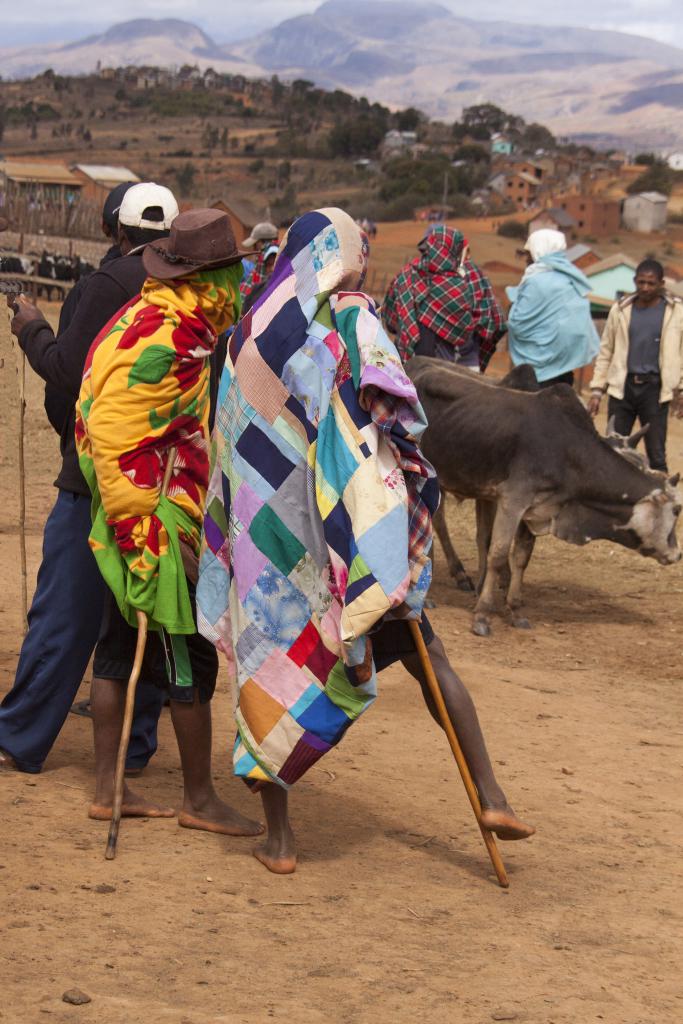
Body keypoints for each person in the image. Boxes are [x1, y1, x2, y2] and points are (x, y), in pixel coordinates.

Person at [197, 208, 534, 874]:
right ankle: (490, 795)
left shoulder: (245, 338)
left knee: (269, 672)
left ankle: (281, 841)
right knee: (428, 656)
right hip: (355, 539)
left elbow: (229, 446)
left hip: (275, 551)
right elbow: (396, 416)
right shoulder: (353, 319)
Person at [75, 208, 262, 834]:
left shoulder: (144, 315)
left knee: (118, 642)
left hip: (124, 516)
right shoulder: (175, 335)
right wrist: (142, 536)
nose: (235, 290)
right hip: (152, 520)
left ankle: (110, 789)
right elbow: (113, 430)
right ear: (212, 278)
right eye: (230, 277)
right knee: (188, 657)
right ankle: (199, 798)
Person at [0, 183, 178, 775]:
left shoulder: (107, 287)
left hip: (95, 478)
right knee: (140, 614)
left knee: (64, 614)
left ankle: (20, 737)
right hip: (168, 486)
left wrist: (30, 325)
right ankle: (132, 745)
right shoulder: (194, 293)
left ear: (114, 231)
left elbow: (68, 374)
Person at [587, 259, 683, 471]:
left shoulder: (676, 312)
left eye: (651, 283)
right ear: (634, 281)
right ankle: (613, 500)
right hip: (622, 390)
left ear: (661, 283)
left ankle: (662, 499)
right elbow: (606, 351)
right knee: (614, 453)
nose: (645, 288)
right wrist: (596, 391)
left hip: (655, 391)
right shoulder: (620, 310)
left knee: (656, 454)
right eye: (641, 282)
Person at [383, 225, 505, 372]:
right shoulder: (467, 278)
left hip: (417, 367)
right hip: (465, 366)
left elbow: (390, 319)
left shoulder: (408, 276)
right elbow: (493, 321)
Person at [506, 229, 600, 388]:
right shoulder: (571, 279)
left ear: (539, 250)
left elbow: (518, 323)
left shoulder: (535, 281)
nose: (527, 259)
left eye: (529, 253)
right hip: (564, 370)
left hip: (534, 374)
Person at [240, 221, 279, 299]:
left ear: (263, 242)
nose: (254, 248)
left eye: (255, 244)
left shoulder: (272, 253)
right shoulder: (258, 262)